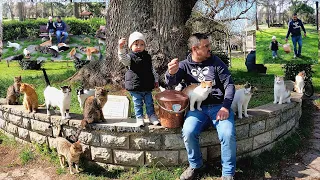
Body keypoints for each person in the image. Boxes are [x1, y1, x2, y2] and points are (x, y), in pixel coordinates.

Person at [166, 33, 236, 180]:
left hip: (219, 107)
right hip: (197, 109)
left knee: (227, 134)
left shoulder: (216, 62)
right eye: (206, 46)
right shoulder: (184, 65)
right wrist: (170, 73)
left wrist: (225, 106)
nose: (210, 48)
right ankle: (195, 165)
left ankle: (228, 174)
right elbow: (171, 84)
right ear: (195, 49)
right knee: (189, 131)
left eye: (209, 45)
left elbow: (229, 84)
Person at [118, 31, 160, 127]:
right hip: (135, 86)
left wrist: (156, 80)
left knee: (149, 102)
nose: (139, 47)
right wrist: (120, 48)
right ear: (130, 46)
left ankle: (151, 116)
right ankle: (139, 117)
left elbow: (151, 70)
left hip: (147, 85)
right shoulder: (130, 58)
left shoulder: (148, 57)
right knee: (137, 103)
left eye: (141, 44)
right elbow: (123, 59)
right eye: (136, 44)